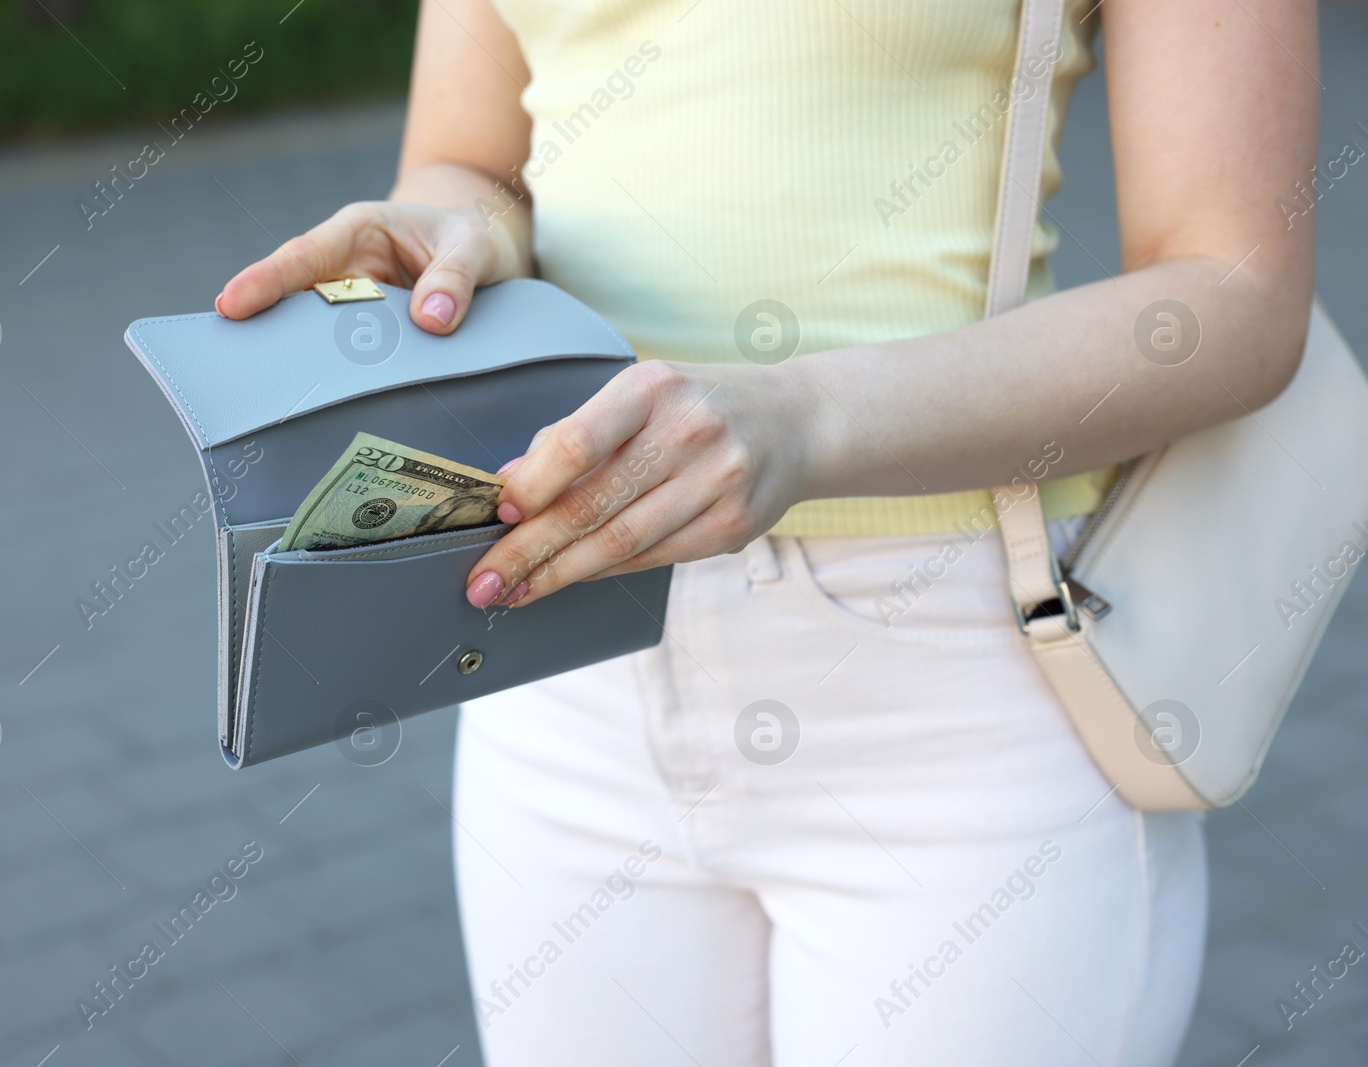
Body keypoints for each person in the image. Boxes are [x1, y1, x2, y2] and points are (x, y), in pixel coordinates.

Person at [218, 0, 1318, 1061]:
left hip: (956, 685)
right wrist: (457, 225)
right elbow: (471, 158)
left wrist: (806, 414)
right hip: (557, 662)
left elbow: (1233, 288)